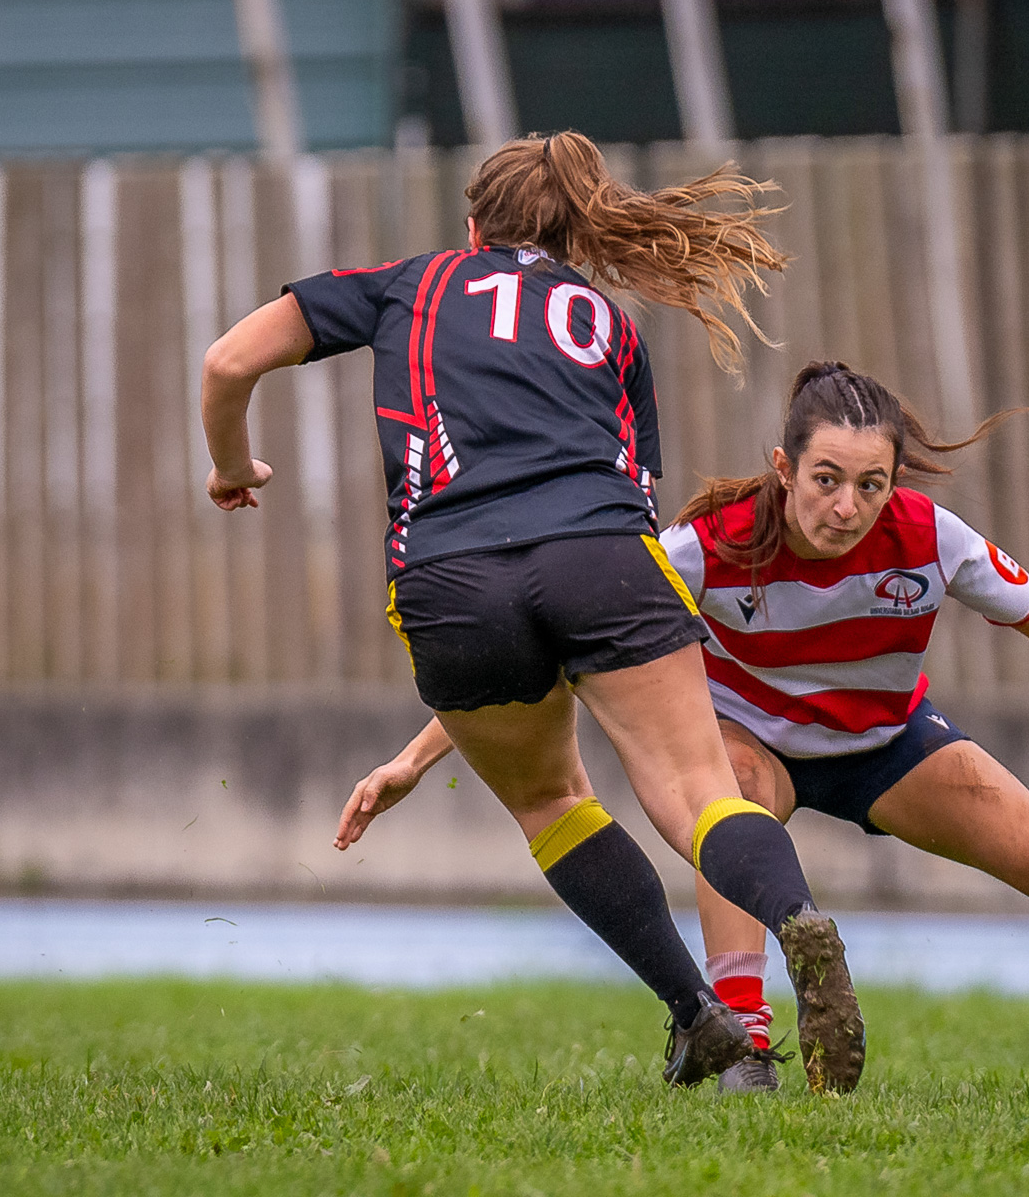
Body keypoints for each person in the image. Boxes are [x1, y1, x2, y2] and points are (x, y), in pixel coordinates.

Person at [348, 361, 1029, 1094]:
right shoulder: (705, 550)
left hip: (888, 745)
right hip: (755, 741)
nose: (848, 507)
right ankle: (747, 1044)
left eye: (871, 485)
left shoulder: (928, 536)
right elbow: (544, 665)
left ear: (894, 482)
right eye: (827, 479)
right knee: (733, 801)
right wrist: (414, 760)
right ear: (785, 468)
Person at [201, 133, 864, 1094]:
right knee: (698, 794)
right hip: (603, 555)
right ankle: (798, 918)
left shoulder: (408, 284)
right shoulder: (609, 323)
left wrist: (229, 466)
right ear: (577, 234)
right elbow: (636, 492)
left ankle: (697, 1013)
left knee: (553, 803)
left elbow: (228, 363)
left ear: (471, 225)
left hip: (447, 577)